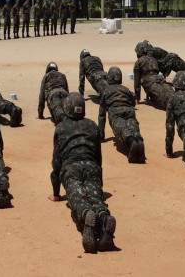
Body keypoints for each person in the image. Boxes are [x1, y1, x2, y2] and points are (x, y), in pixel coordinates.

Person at [49, 92, 117, 253]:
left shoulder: (61, 127)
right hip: (91, 167)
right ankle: (103, 216)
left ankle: (86, 214)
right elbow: (98, 158)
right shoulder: (93, 126)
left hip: (71, 168)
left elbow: (56, 162)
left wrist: (56, 193)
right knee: (94, 197)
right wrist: (99, 182)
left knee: (77, 197)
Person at [98, 67, 145, 164]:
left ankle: (131, 141)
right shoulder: (125, 89)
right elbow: (133, 99)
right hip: (129, 110)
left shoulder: (106, 90)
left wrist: (101, 135)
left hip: (115, 111)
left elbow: (101, 115)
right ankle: (138, 139)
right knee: (133, 125)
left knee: (121, 128)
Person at [133, 42, 174, 110]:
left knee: (163, 96)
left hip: (149, 82)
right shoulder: (153, 59)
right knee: (168, 91)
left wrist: (137, 98)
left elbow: (136, 83)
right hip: (159, 79)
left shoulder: (138, 62)